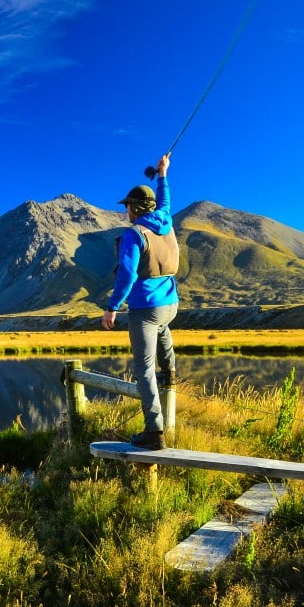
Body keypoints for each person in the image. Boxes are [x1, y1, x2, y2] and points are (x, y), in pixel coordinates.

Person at [101, 152, 180, 450]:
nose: (126, 212)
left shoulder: (134, 235)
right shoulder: (165, 220)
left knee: (143, 369)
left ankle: (154, 432)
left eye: (128, 207)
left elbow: (127, 275)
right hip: (170, 305)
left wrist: (112, 308)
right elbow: (165, 201)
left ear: (134, 208)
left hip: (145, 309)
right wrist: (163, 174)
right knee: (162, 333)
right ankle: (170, 370)